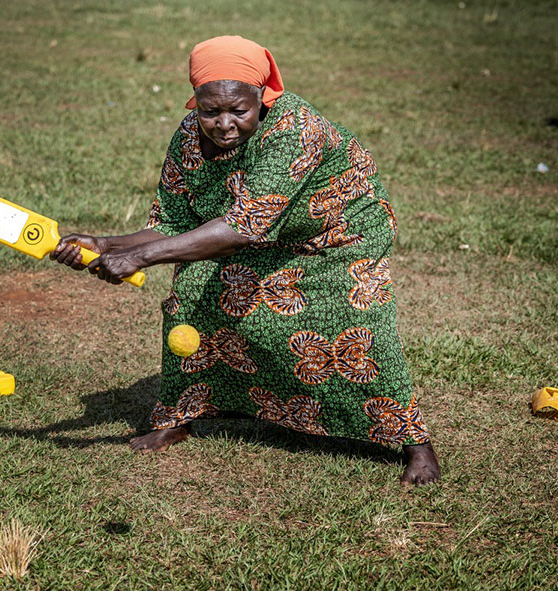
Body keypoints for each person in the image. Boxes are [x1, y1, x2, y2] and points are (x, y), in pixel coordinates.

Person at [50, 35, 441, 486]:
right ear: (194, 101)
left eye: (238, 110)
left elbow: (242, 229)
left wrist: (138, 258)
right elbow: (174, 221)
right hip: (254, 231)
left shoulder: (295, 129)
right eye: (209, 110)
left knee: (357, 329)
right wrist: (105, 244)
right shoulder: (187, 139)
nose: (223, 124)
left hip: (340, 234)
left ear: (263, 96)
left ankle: (415, 444)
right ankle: (180, 416)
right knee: (192, 299)